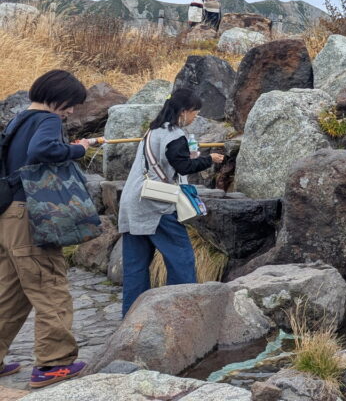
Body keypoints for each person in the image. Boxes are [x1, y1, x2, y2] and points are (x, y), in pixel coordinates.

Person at [0, 70, 95, 388]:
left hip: (8, 215)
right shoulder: (48, 120)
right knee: (50, 286)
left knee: (10, 294)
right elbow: (42, 151)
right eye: (70, 105)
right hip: (32, 215)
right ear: (58, 96)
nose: (70, 112)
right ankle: (54, 364)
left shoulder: (18, 119)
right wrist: (78, 150)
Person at [118, 88, 223, 316]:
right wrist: (209, 160)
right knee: (181, 259)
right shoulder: (174, 135)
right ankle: (182, 314)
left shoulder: (153, 131)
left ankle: (132, 318)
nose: (195, 118)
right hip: (157, 205)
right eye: (195, 113)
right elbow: (184, 166)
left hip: (133, 202)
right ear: (183, 112)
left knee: (135, 267)